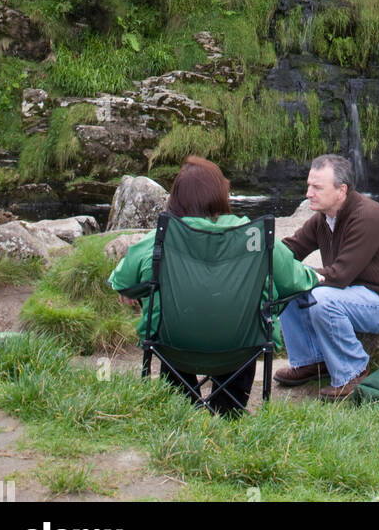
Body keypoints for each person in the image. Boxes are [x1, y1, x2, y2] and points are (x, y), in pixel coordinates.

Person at [108, 156, 318, 416]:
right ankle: (228, 409)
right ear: (220, 194)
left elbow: (121, 280)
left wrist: (129, 290)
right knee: (248, 319)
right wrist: (315, 278)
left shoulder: (162, 237)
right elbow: (294, 281)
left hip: (173, 346)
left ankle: (181, 404)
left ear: (176, 197)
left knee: (169, 318)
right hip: (241, 348)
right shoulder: (254, 235)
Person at [275, 154, 379, 401]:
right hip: (351, 296)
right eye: (309, 186)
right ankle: (312, 361)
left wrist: (294, 274)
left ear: (341, 190)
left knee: (320, 296)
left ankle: (354, 371)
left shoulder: (366, 216)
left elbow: (339, 276)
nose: (308, 193)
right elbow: (291, 249)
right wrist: (260, 255)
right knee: (288, 284)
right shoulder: (324, 218)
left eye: (317, 187)